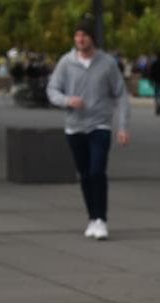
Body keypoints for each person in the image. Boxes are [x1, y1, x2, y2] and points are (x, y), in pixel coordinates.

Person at [46, 19, 131, 241]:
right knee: (84, 174)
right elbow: (52, 89)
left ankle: (101, 219)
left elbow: (120, 93)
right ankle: (92, 218)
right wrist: (67, 100)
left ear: (92, 38)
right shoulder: (66, 62)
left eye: (84, 35)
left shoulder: (107, 63)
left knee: (97, 171)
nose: (80, 39)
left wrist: (122, 126)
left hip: (99, 125)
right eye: (77, 36)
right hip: (74, 127)